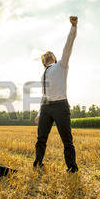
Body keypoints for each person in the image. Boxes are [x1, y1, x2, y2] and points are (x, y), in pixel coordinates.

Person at [33, 16, 79, 173]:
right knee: (41, 138)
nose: (47, 54)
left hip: (60, 105)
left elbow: (68, 46)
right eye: (44, 55)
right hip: (46, 107)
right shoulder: (43, 74)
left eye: (49, 53)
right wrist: (40, 112)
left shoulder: (61, 66)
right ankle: (37, 163)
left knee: (67, 139)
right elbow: (44, 94)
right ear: (43, 61)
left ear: (54, 58)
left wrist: (73, 27)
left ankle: (72, 167)